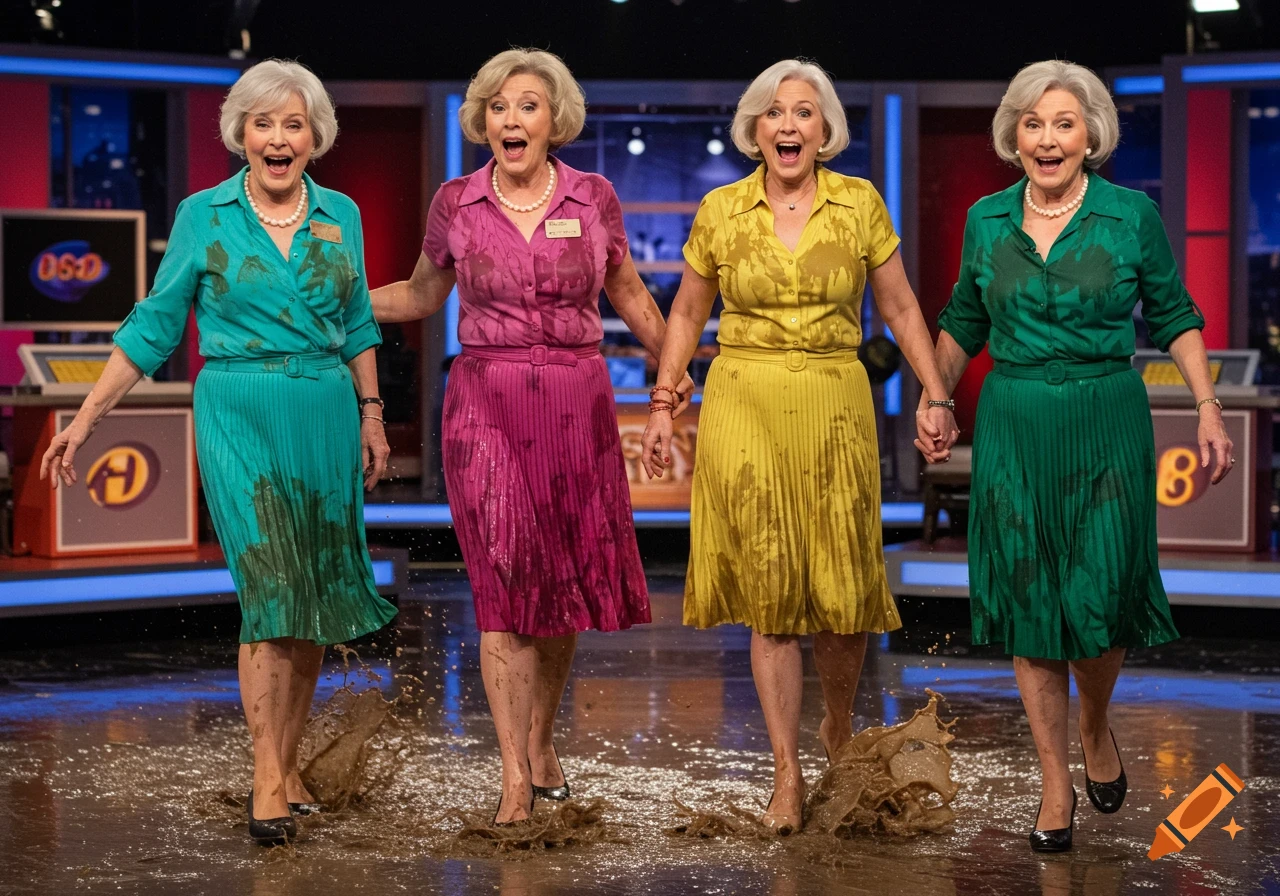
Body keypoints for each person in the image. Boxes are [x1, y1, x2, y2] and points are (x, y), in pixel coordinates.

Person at [40, 59, 397, 845]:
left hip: (325, 409)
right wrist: (89, 417)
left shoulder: (342, 212)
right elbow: (154, 325)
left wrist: (372, 414)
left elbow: (359, 324)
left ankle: (289, 762)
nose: (278, 137)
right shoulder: (205, 214)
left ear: (314, 138)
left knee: (310, 601)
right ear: (240, 134)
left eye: (293, 124)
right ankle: (267, 777)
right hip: (238, 406)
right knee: (270, 590)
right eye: (263, 123)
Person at [371, 48, 693, 824]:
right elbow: (420, 294)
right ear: (483, 121)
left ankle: (543, 741)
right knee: (506, 584)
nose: (510, 120)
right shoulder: (456, 201)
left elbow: (631, 296)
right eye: (498, 108)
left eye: (527, 106)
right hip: (486, 399)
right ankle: (514, 775)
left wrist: (675, 370)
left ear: (555, 121)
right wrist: (329, 299)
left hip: (577, 405)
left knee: (558, 592)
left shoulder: (595, 196)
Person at [640, 59, 958, 835]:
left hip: (834, 398)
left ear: (825, 131)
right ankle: (786, 773)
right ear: (755, 130)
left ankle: (839, 730)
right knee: (773, 595)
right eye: (775, 113)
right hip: (743, 400)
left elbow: (901, 304)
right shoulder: (721, 209)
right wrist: (663, 396)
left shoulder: (859, 205)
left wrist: (935, 391)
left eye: (805, 112)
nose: (788, 125)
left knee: (845, 597)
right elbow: (685, 311)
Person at [925, 60, 1234, 852]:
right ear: (1014, 136)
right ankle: (1054, 782)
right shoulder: (986, 219)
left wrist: (1207, 406)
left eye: (1064, 123)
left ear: (1091, 134)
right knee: (1031, 604)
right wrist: (934, 396)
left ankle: (1095, 725)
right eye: (1033, 124)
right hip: (1016, 421)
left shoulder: (1132, 216)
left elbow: (1175, 313)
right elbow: (964, 318)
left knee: (1098, 606)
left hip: (1105, 417)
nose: (1048, 138)